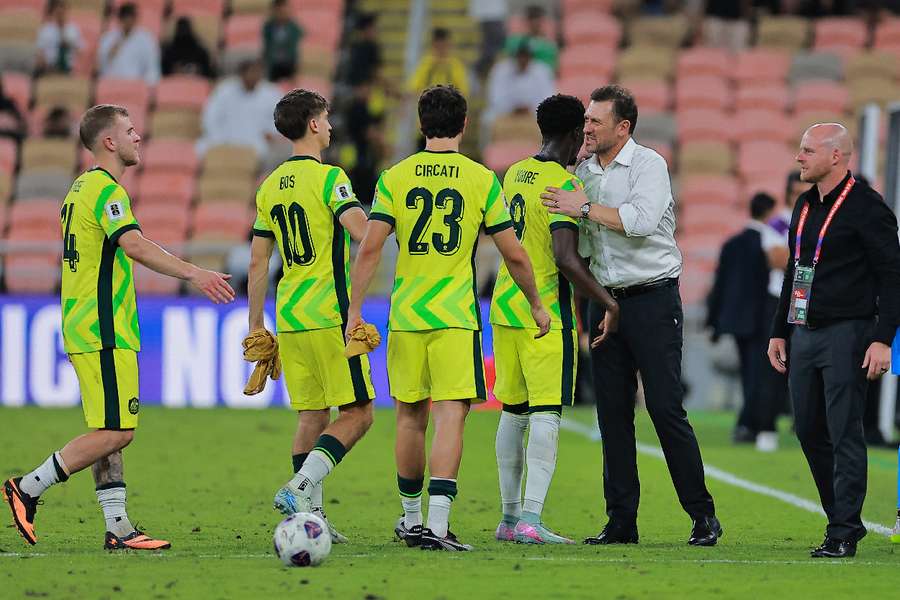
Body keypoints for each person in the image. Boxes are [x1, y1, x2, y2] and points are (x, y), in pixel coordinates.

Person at [1, 104, 234, 550]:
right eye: (129, 131)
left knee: (109, 430)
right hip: (102, 327)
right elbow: (134, 245)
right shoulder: (106, 191)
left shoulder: (79, 189)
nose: (137, 137)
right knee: (118, 431)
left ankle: (119, 528)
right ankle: (26, 488)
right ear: (109, 142)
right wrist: (194, 273)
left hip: (88, 323)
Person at [347, 85, 550, 551]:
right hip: (455, 316)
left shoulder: (394, 177)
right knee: (451, 417)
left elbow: (371, 247)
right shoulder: (480, 179)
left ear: (421, 125)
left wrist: (355, 309)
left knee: (408, 417)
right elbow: (514, 253)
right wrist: (537, 302)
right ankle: (438, 526)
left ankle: (410, 518)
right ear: (464, 125)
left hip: (406, 316)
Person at [542, 84, 721, 546]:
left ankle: (702, 515)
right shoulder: (581, 172)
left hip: (653, 299)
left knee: (664, 407)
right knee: (613, 416)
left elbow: (641, 222)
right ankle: (621, 522)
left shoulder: (649, 165)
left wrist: (582, 207)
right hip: (606, 303)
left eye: (596, 121)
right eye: (585, 121)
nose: (587, 127)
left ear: (623, 127)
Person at [491, 93, 620, 545]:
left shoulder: (514, 174)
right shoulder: (562, 185)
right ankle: (530, 519)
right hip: (546, 313)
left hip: (506, 306)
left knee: (512, 411)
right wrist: (608, 302)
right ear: (571, 134)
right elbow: (565, 258)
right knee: (546, 414)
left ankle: (508, 520)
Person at [767, 123, 900, 559]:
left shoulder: (867, 207)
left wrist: (883, 339)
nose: (799, 157)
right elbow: (795, 271)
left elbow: (892, 276)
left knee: (844, 431)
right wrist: (779, 330)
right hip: (804, 332)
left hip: (849, 332)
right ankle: (842, 519)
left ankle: (842, 530)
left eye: (807, 150)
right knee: (806, 428)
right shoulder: (804, 206)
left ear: (836, 156)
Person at [255, 89, 375, 543]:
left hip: (289, 316)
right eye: (325, 119)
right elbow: (362, 232)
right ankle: (299, 487)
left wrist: (255, 325)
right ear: (312, 125)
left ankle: (311, 520)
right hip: (330, 313)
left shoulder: (268, 186)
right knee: (360, 413)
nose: (329, 126)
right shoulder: (330, 179)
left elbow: (256, 263)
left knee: (311, 415)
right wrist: (388, 218)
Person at [707, 193, 782, 451]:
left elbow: (719, 285)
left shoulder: (732, 243)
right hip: (761, 318)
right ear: (768, 212)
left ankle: (746, 422)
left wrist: (714, 321)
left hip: (735, 319)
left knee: (749, 373)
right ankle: (749, 423)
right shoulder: (768, 244)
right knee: (756, 374)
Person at [196, 58, 282, 161]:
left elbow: (280, 118)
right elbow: (210, 117)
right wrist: (219, 138)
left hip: (257, 141)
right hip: (224, 138)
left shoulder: (271, 92)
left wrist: (271, 132)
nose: (253, 76)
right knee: (201, 148)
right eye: (250, 72)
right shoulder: (224, 90)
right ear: (242, 73)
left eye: (257, 72)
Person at [482, 42, 556, 147]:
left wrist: (531, 108)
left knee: (552, 120)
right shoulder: (500, 70)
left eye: (526, 56)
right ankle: (486, 156)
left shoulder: (542, 71)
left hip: (534, 114)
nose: (523, 60)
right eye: (520, 56)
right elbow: (494, 98)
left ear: (531, 57)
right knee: (486, 120)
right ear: (515, 57)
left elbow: (548, 98)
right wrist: (512, 108)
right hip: (506, 113)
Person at [97, 3, 160, 86]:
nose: (128, 21)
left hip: (136, 86)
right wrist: (116, 45)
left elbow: (152, 69)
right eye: (125, 18)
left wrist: (147, 89)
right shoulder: (108, 38)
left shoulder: (146, 39)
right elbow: (100, 67)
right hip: (111, 85)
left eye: (131, 18)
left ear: (135, 19)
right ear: (120, 19)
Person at [406, 29, 470, 98]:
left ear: (448, 44)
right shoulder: (425, 64)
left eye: (443, 45)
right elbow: (413, 89)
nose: (441, 49)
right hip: (428, 105)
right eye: (438, 46)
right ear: (433, 45)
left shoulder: (455, 65)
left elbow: (464, 92)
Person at [504, 5, 558, 72]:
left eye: (538, 20)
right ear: (526, 21)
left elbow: (551, 68)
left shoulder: (549, 46)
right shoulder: (515, 41)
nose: (535, 23)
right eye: (532, 19)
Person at [36, 0, 83, 75]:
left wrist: (70, 44)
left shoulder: (74, 29)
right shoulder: (45, 30)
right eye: (58, 9)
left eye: (63, 9)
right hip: (49, 68)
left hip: (69, 69)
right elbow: (40, 52)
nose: (61, 12)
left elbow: (80, 52)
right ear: (54, 11)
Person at [263, 0, 303, 82]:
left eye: (284, 11)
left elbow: (297, 48)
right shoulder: (268, 27)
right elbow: (266, 47)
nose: (281, 14)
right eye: (279, 11)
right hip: (273, 63)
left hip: (290, 63)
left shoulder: (294, 28)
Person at [469, 0, 507, 77]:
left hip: (492, 14)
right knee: (492, 48)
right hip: (488, 14)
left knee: (493, 47)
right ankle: (479, 69)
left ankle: (480, 69)